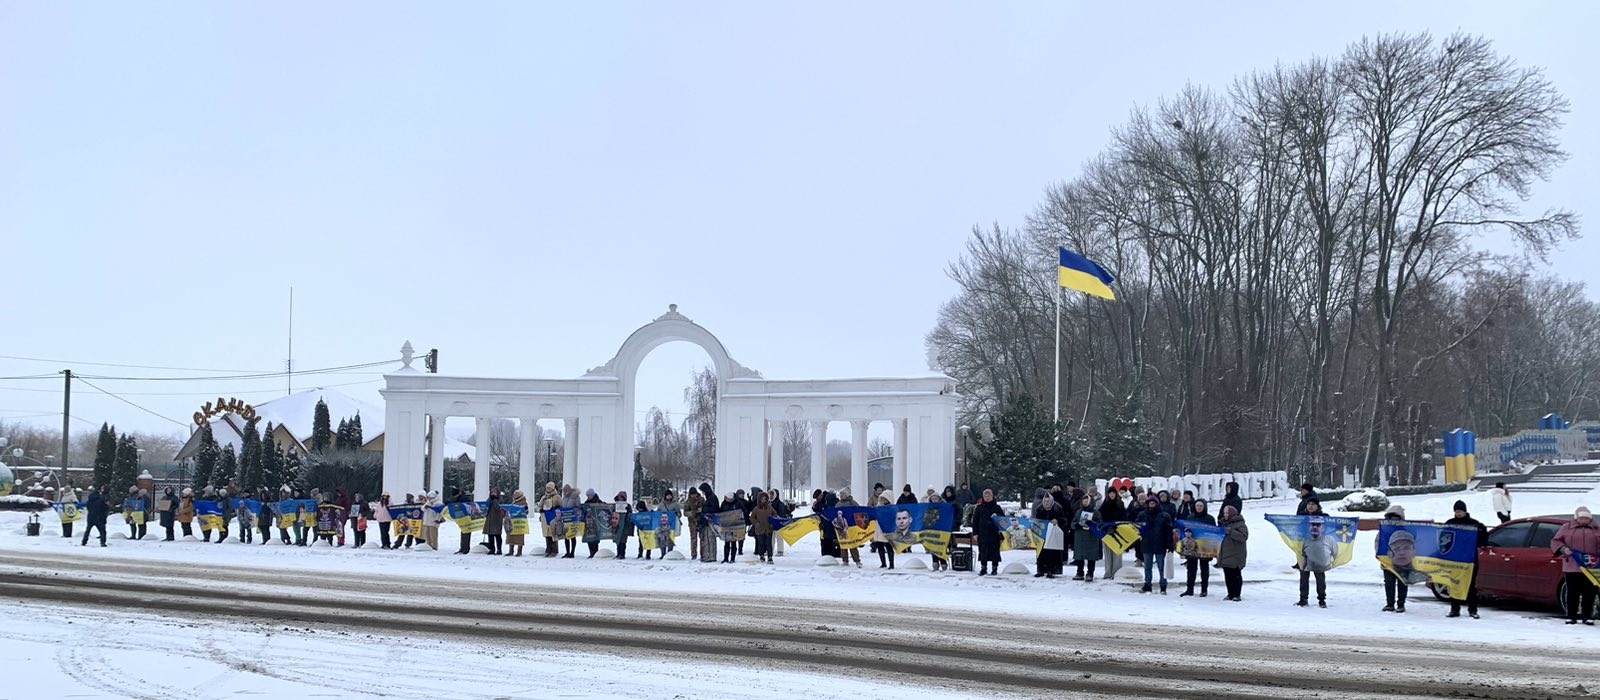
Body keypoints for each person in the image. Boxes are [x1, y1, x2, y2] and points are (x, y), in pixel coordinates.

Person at [1551, 506, 1599, 625]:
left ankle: (1587, 616)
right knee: (1573, 592)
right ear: (1576, 518)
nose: (1584, 520)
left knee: (1590, 592)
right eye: (1582, 518)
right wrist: (1563, 549)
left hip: (1591, 566)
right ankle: (1571, 616)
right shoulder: (1566, 527)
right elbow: (1556, 541)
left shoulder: (1596, 528)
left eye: (1586, 518)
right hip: (1572, 565)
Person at [1297, 504, 1338, 608]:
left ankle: (1322, 599)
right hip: (1306, 550)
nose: (1310, 506)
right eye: (1309, 504)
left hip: (1320, 553)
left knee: (1320, 578)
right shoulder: (1303, 517)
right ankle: (1303, 599)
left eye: (1313, 504)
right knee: (1304, 577)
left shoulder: (1324, 517)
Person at [1134, 496, 1177, 593]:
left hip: (1160, 544)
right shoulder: (1142, 515)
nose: (1151, 505)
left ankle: (1163, 585)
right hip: (1147, 543)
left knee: (1161, 567)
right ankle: (1147, 584)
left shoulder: (1164, 516)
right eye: (1150, 503)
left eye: (1153, 503)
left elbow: (1168, 531)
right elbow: (1137, 527)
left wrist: (1169, 544)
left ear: (1157, 504)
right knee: (1147, 567)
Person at [1379, 504, 1412, 613]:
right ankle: (1390, 604)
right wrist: (1380, 555)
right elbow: (1378, 542)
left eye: (1396, 518)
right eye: (1391, 518)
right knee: (1389, 583)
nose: (1393, 520)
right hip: (1388, 560)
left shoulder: (1407, 529)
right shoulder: (1384, 530)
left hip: (1404, 561)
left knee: (1402, 582)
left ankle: (1401, 604)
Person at [1180, 499, 1216, 597]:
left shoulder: (1209, 518)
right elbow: (1186, 530)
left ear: (1204, 507)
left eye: (1201, 506)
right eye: (1197, 506)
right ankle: (1189, 589)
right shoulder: (1190, 517)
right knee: (1191, 568)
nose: (1199, 508)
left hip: (1204, 546)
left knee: (1204, 569)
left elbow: (1213, 532)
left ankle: (1204, 589)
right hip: (1192, 546)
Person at [1217, 504, 1248, 601]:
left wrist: (1230, 532)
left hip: (1236, 554)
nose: (1225, 515)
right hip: (1225, 553)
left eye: (1227, 513)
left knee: (1236, 575)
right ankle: (1230, 593)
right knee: (1228, 575)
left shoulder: (1240, 524)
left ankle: (1237, 594)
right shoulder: (1223, 524)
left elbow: (1243, 537)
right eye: (1224, 513)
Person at [1034, 493, 1067, 579]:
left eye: (1048, 501)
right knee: (1041, 552)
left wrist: (1057, 521)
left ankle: (1052, 570)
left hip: (1053, 533)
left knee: (1052, 552)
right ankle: (1041, 570)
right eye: (1045, 501)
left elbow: (1064, 520)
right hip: (1042, 533)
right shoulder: (1039, 509)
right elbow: (1035, 520)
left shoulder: (1057, 508)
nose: (1047, 503)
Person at [1071, 493, 1101, 581]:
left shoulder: (1095, 513)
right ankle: (1079, 572)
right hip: (1080, 537)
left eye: (1086, 501)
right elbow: (1073, 522)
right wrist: (1076, 525)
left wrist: (1092, 524)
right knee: (1079, 556)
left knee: (1091, 557)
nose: (1085, 502)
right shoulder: (1078, 512)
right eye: (1083, 501)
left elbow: (1100, 524)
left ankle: (1090, 573)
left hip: (1091, 537)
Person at [974, 489, 1004, 576]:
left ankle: (994, 568)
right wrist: (975, 533)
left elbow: (1003, 520)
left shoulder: (997, 508)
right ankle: (983, 568)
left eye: (988, 496)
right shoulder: (979, 508)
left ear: (992, 496)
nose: (987, 497)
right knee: (983, 550)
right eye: (985, 496)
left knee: (995, 551)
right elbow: (975, 521)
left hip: (994, 533)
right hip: (983, 533)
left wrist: (997, 516)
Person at [750, 491, 777, 564]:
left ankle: (770, 557)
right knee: (761, 543)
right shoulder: (756, 509)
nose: (763, 500)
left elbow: (775, 514)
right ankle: (761, 555)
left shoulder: (770, 507)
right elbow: (752, 518)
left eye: (765, 499)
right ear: (759, 499)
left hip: (768, 528)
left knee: (769, 544)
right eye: (762, 499)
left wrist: (772, 522)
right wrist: (756, 523)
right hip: (759, 529)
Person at [871, 495, 897, 569]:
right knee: (880, 546)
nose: (883, 500)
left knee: (889, 547)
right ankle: (883, 563)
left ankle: (891, 564)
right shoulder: (878, 507)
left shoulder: (893, 508)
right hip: (879, 529)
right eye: (882, 498)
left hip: (888, 529)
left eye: (885, 498)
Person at [697, 483, 721, 563]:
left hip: (711, 522)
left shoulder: (712, 498)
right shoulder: (709, 497)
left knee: (711, 539)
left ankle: (712, 556)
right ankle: (708, 556)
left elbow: (714, 509)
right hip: (707, 522)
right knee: (707, 539)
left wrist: (703, 509)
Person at [684, 486, 705, 560]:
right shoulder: (687, 502)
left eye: (694, 494)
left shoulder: (701, 500)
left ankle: (703, 554)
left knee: (702, 539)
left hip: (700, 521)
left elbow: (705, 508)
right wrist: (691, 513)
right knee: (693, 539)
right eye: (692, 494)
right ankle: (693, 555)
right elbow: (685, 512)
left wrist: (701, 510)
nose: (693, 496)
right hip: (692, 523)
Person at [505, 490, 527, 557]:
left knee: (519, 537)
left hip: (519, 522)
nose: (515, 496)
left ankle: (519, 551)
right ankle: (511, 551)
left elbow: (526, 511)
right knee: (511, 535)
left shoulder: (524, 502)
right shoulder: (513, 502)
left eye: (517, 494)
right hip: (512, 521)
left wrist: (524, 510)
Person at [660, 488, 682, 554]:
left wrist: (676, 514)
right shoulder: (661, 504)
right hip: (663, 525)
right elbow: (658, 513)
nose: (669, 497)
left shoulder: (675, 504)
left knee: (670, 539)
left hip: (672, 524)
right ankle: (663, 554)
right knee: (662, 539)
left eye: (670, 495)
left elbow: (679, 514)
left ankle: (669, 553)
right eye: (667, 495)